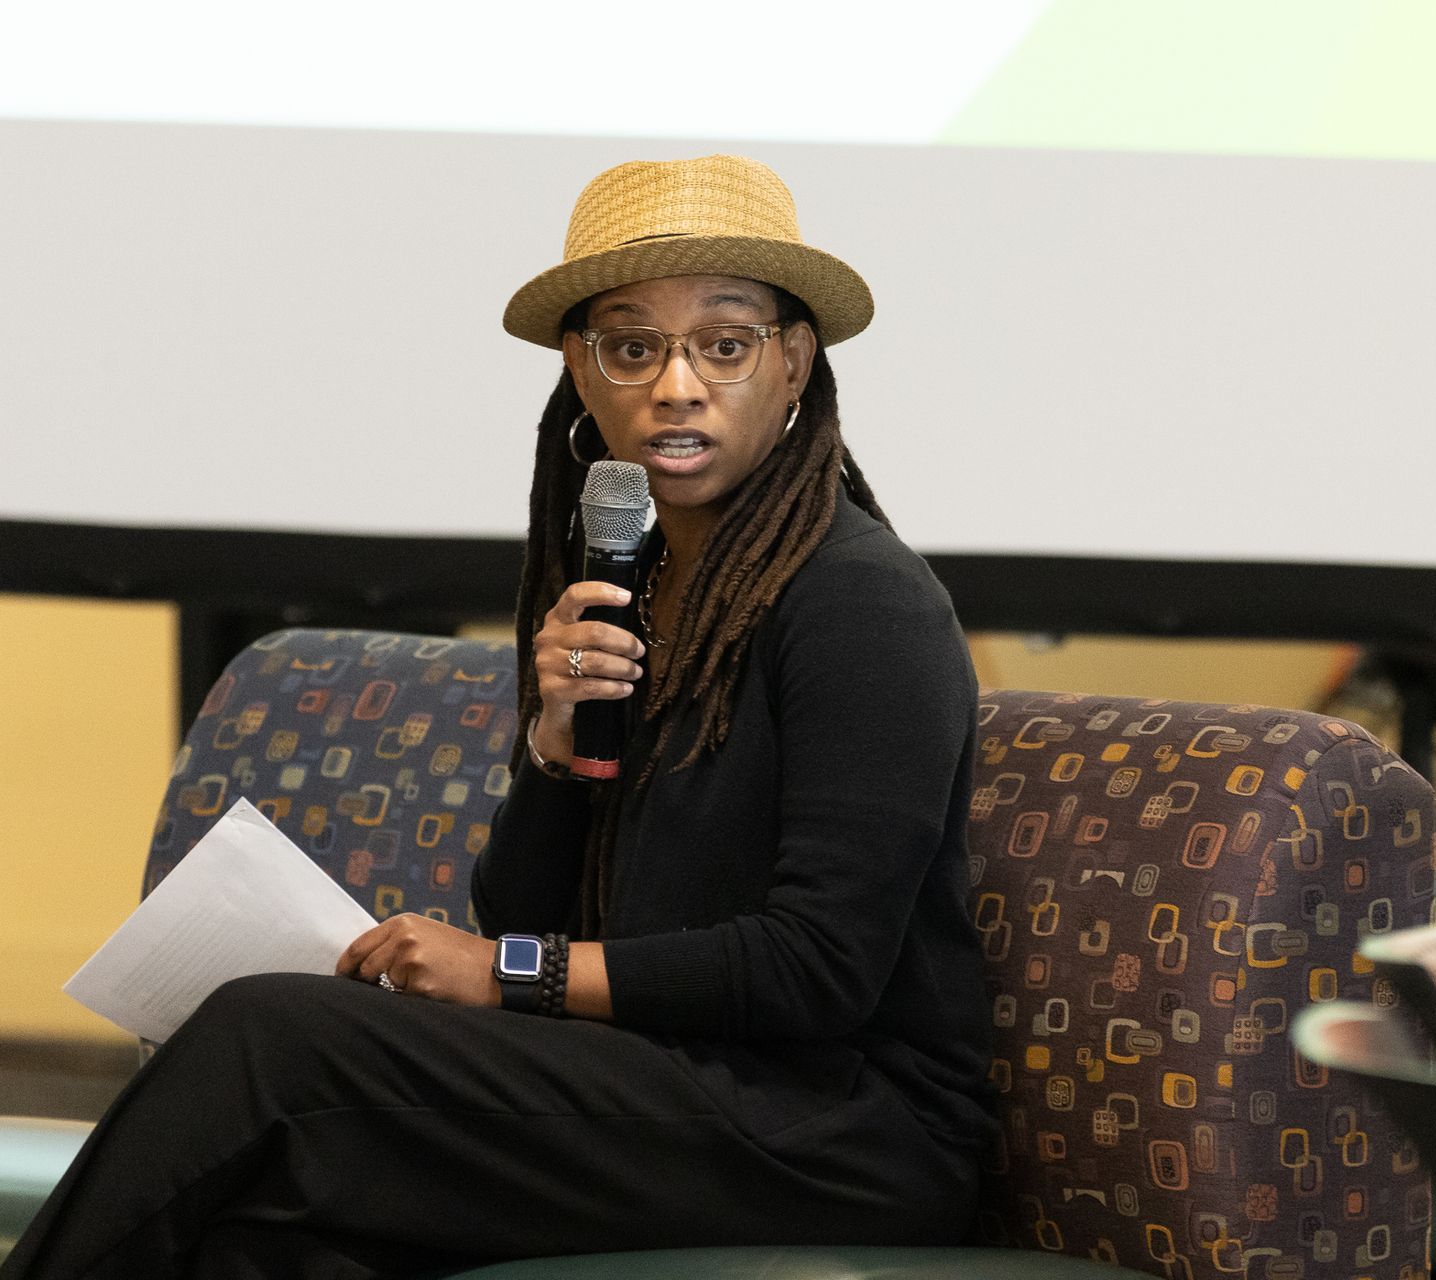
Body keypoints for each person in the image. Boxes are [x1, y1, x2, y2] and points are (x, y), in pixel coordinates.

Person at [1, 155, 995, 1279]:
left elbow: (820, 970)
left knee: (269, 1038)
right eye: (632, 346)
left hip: (845, 1131)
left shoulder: (860, 600)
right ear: (582, 372)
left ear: (795, 364)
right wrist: (559, 760)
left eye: (723, 343)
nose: (676, 383)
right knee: (257, 1243)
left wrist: (509, 971)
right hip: (665, 1072)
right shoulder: (632, 585)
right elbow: (525, 902)